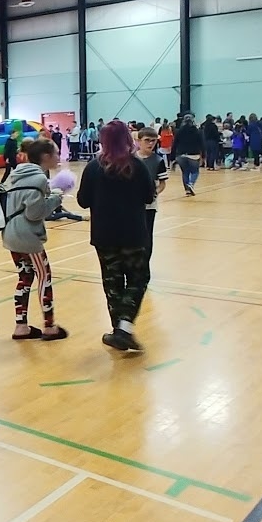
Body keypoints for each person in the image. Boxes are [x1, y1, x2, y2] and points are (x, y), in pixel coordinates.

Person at [76, 121, 155, 353]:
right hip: (133, 234)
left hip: (104, 235)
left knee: (112, 282)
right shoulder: (137, 166)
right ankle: (124, 328)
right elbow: (149, 196)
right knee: (138, 279)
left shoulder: (93, 167)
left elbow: (83, 201)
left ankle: (118, 329)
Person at [2, 138, 69, 341]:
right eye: (56, 153)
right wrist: (57, 198)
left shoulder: (18, 173)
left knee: (24, 278)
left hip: (11, 233)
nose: (59, 157)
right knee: (44, 277)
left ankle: (21, 326)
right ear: (46, 157)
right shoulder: (38, 178)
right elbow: (35, 213)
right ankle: (49, 326)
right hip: (27, 236)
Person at [135, 127, 168, 258]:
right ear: (138, 141)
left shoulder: (158, 160)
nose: (150, 144)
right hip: (131, 204)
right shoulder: (131, 158)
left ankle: (145, 262)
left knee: (147, 234)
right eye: (147, 140)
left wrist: (154, 193)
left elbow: (162, 184)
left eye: (153, 141)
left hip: (149, 205)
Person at [171, 114, 203, 196]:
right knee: (195, 171)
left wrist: (172, 157)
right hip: (193, 154)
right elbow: (202, 144)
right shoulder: (197, 131)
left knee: (185, 172)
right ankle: (191, 184)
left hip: (181, 154)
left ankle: (187, 190)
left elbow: (174, 144)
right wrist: (204, 155)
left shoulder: (179, 131)